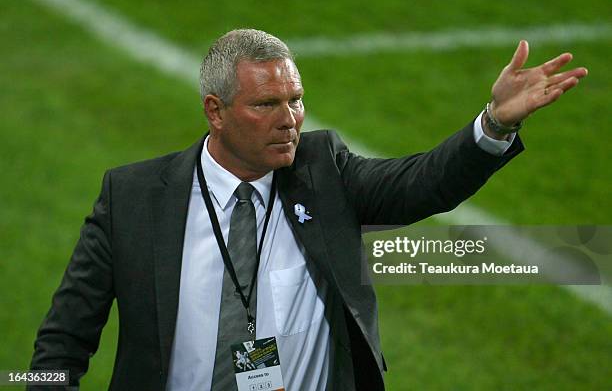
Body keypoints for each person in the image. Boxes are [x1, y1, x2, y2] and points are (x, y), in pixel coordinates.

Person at [29, 29, 587, 390]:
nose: (290, 118)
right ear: (215, 112)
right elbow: (60, 344)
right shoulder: (132, 198)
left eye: (295, 100)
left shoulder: (325, 171)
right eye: (266, 104)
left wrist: (493, 125)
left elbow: (424, 184)